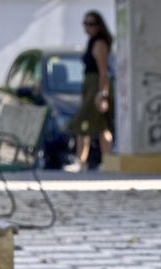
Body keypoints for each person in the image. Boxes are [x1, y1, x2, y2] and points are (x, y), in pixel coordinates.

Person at [65, 10, 113, 173]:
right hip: (89, 85)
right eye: (85, 23)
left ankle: (82, 161)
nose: (87, 27)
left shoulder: (99, 43)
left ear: (99, 26)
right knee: (101, 126)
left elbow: (103, 72)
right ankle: (106, 162)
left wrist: (103, 94)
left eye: (91, 24)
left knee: (82, 122)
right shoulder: (92, 41)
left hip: (96, 86)